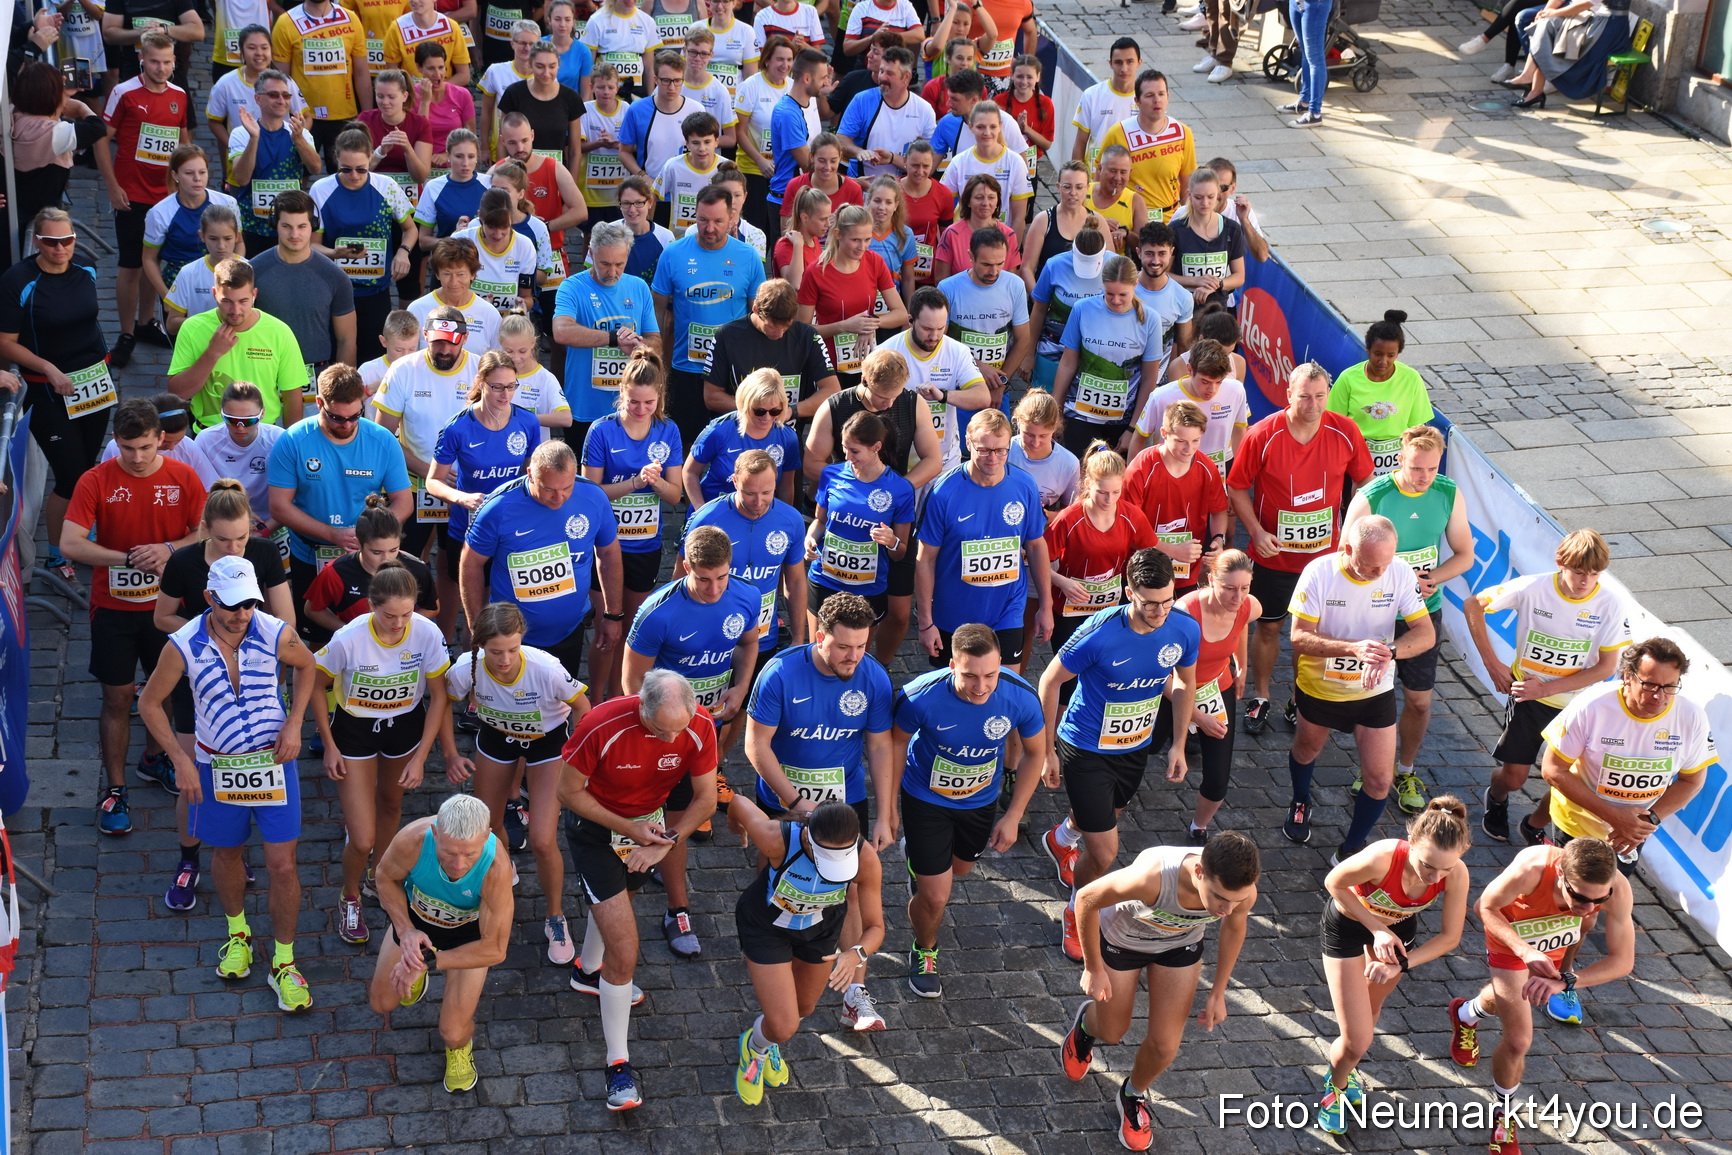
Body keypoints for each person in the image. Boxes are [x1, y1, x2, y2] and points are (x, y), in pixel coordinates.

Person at [138, 555, 317, 1009]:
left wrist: (295, 722)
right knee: (227, 853)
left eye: (249, 605)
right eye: (232, 606)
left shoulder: (274, 631)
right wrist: (179, 759)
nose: (241, 615)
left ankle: (284, 962)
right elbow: (150, 703)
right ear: (208, 598)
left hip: (273, 764)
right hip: (216, 766)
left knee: (282, 865)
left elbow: (308, 664)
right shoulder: (181, 644)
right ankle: (237, 934)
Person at [559, 671, 718, 1110]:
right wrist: (631, 829)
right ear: (640, 706)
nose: (671, 740)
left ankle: (586, 973)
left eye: (678, 729)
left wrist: (664, 841)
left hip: (648, 833)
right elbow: (567, 792)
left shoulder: (699, 725)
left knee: (616, 910)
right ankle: (618, 1067)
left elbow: (705, 799)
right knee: (625, 951)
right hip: (596, 831)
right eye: (660, 730)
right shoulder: (602, 725)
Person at [741, 593, 894, 1030]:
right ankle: (773, 947)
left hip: (844, 804)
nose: (854, 657)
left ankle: (855, 994)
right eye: (845, 647)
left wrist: (885, 813)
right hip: (784, 802)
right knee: (775, 874)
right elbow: (756, 746)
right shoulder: (781, 674)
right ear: (819, 635)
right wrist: (793, 801)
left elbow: (880, 745)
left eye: (862, 646)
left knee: (848, 888)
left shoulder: (872, 677)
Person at [1036, 548, 1199, 959]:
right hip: (1084, 745)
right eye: (1149, 604)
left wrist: (1178, 743)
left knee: (1107, 816)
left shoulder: (1183, 629)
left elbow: (1183, 683)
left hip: (1134, 747)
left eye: (1167, 601)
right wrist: (1047, 751)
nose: (1160, 612)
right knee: (1106, 851)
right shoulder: (1099, 632)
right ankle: (1077, 908)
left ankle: (1062, 838)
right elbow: (1050, 681)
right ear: (1129, 592)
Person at [1060, 833, 1260, 1152]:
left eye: (1236, 900)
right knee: (1113, 1030)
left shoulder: (1241, 893)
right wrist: (1093, 968)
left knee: (1166, 1044)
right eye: (1221, 898)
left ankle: (1132, 1095)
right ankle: (1086, 1025)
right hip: (1122, 943)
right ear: (1199, 873)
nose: (1228, 908)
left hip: (1179, 946)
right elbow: (1086, 899)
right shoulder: (1152, 877)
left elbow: (1236, 927)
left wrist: (1219, 991)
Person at [61, 399, 208, 834]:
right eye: (128, 448)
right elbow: (70, 543)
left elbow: (203, 532)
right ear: (116, 443)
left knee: (161, 692)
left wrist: (167, 549)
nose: (138, 458)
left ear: (160, 438)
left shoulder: (183, 477)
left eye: (145, 446)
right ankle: (115, 789)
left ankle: (152, 758)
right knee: (118, 697)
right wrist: (126, 557)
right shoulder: (97, 480)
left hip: (166, 610)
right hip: (113, 608)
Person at [1447, 838, 1635, 1155]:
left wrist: (1567, 981)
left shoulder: (1617, 889)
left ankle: (1465, 1014)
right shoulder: (1531, 869)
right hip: (1510, 936)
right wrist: (1524, 949)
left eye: (1598, 899)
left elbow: (1623, 962)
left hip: (1552, 935)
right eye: (1578, 896)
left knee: (1513, 996)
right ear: (1561, 873)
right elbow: (1484, 906)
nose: (1588, 907)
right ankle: (1504, 1117)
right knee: (1520, 1039)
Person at [313, 563, 463, 944]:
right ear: (370, 605)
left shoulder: (427, 633)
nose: (398, 624)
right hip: (354, 732)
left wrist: (421, 756)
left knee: (391, 804)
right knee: (361, 837)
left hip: (404, 729)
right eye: (388, 615)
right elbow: (314, 685)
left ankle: (378, 876)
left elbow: (440, 695)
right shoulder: (349, 637)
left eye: (406, 614)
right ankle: (349, 895)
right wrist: (329, 745)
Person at [896, 623, 1046, 996]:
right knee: (936, 896)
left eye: (991, 675)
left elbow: (1036, 753)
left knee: (960, 868)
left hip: (980, 802)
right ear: (951, 665)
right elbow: (893, 744)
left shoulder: (1020, 698)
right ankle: (925, 948)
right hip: (925, 798)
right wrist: (889, 809)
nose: (981, 687)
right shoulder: (920, 697)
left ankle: (920, 860)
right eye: (970, 676)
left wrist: (1012, 815)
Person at [1227, 362, 1373, 734]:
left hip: (1326, 559)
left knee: (1314, 633)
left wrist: (1351, 532)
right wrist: (1256, 532)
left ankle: (1299, 697)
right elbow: (1237, 486)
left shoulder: (1345, 430)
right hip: (1275, 556)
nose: (1312, 404)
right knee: (1270, 628)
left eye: (1320, 396)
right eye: (1304, 396)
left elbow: (1365, 481)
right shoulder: (1263, 435)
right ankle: (1260, 695)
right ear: (1288, 394)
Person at [1314, 798, 1471, 1134]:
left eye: (1446, 868)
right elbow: (1333, 883)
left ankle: (1347, 1067)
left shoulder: (1455, 873)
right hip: (1348, 925)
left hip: (1398, 936)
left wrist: (1402, 964)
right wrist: (1377, 929)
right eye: (1428, 865)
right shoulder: (1383, 856)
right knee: (1357, 1039)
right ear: (1411, 843)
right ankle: (1336, 1086)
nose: (1435, 877)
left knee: (1369, 1013)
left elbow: (1450, 938)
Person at [1282, 515, 1435, 859]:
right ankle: (1301, 799)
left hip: (1373, 691)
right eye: (1370, 564)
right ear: (1348, 549)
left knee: (1380, 780)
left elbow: (1426, 634)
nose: (1380, 573)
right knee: (1306, 751)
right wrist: (1353, 648)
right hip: (1322, 688)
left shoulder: (1398, 571)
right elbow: (1298, 637)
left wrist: (1389, 652)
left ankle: (1351, 848)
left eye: (1386, 563)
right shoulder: (1319, 573)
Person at [447, 600, 591, 965]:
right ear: (479, 646)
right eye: (495, 652)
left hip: (548, 744)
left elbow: (583, 706)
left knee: (543, 840)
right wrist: (449, 753)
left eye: (513, 649)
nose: (505, 660)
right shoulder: (467, 668)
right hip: (496, 740)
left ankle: (555, 917)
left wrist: (582, 760)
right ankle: (502, 868)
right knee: (489, 827)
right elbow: (439, 701)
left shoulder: (545, 668)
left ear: (522, 640)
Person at [1466, 529, 1628, 847]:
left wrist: (1549, 688)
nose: (1586, 582)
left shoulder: (1609, 604)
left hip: (1577, 704)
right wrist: (1492, 664)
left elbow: (1606, 668)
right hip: (1528, 697)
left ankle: (1534, 824)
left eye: (1594, 574)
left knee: (1570, 781)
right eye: (1579, 573)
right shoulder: (1533, 587)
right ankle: (1496, 798)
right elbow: (1473, 605)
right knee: (1514, 778)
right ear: (1560, 563)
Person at [1342, 425, 1473, 815]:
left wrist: (1433, 579)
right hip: (1377, 608)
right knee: (1370, 696)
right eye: (1417, 468)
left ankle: (1405, 769)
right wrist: (1395, 575)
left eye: (1431, 469)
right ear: (1400, 459)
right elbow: (1344, 557)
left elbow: (1465, 554)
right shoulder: (1374, 497)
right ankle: (1371, 768)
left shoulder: (1448, 493)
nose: (1424, 477)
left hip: (1422, 613)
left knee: (1418, 701)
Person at [728, 795, 884, 1100]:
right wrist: (735, 825)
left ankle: (766, 1038)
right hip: (766, 928)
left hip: (819, 930)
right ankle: (755, 1049)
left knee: (804, 1008)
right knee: (784, 1026)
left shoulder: (865, 858)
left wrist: (856, 953)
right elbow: (736, 802)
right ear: (809, 840)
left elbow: (876, 926)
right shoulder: (775, 838)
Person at [803, 347, 945, 663]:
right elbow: (812, 462)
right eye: (883, 398)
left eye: (895, 396)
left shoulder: (911, 402)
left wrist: (893, 493)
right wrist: (854, 485)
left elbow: (934, 461)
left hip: (892, 515)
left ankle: (879, 667)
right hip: (844, 516)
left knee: (897, 614)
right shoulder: (835, 406)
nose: (889, 404)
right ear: (864, 379)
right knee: (828, 620)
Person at [368, 793, 513, 1094]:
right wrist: (406, 931)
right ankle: (415, 971)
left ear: (487, 837)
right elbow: (383, 877)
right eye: (448, 852)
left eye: (470, 855)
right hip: (416, 923)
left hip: (468, 938)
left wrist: (427, 961)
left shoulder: (496, 867)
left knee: (452, 1031)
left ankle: (460, 1050)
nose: (458, 865)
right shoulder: (412, 840)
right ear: (435, 833)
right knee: (382, 1002)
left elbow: (495, 949)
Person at [0, 210, 116, 582]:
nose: (61, 248)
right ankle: (56, 551)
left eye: (67, 240)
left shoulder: (86, 269)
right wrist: (49, 368)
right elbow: (5, 343)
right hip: (47, 389)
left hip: (93, 383)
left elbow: (87, 320)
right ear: (37, 241)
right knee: (69, 474)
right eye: (51, 242)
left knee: (87, 470)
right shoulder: (18, 280)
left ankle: (82, 534)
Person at [463, 439, 624, 684]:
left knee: (557, 708)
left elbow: (609, 554)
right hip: (511, 637)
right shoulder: (498, 507)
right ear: (530, 474)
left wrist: (613, 615)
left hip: (569, 632)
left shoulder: (593, 497)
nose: (559, 498)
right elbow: (470, 564)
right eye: (548, 489)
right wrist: (477, 627)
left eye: (567, 488)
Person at [267, 365, 413, 623]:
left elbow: (404, 501)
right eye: (337, 418)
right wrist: (331, 534)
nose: (347, 424)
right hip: (310, 552)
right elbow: (279, 506)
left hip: (368, 558)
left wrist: (373, 537)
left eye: (355, 416)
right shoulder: (293, 440)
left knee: (377, 626)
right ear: (319, 403)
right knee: (316, 634)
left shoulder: (382, 440)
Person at [577, 350, 681, 701]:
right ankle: (594, 703)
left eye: (648, 403)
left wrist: (657, 484)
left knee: (631, 629)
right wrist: (635, 483)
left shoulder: (668, 431)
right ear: (621, 393)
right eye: (634, 402)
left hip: (645, 547)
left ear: (660, 398)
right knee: (608, 626)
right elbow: (589, 494)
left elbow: (675, 496)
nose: (640, 409)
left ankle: (619, 700)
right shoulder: (602, 431)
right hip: (605, 547)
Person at [915, 408, 1051, 668]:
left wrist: (1046, 605)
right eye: (984, 450)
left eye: (1001, 450)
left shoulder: (1024, 486)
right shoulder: (944, 492)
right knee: (957, 692)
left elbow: (1035, 545)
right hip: (954, 615)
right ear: (968, 443)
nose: (993, 458)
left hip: (1007, 611)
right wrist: (925, 622)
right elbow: (926, 558)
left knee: (1006, 689)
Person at [374, 306, 481, 632]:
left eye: (451, 343)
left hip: (463, 492)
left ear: (463, 338)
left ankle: (445, 638)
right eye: (437, 342)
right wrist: (427, 470)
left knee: (453, 569)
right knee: (404, 564)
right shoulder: (405, 370)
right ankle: (402, 634)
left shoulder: (479, 369)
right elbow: (383, 437)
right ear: (425, 337)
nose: (443, 350)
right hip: (414, 486)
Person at [682, 448, 808, 722]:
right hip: (711, 637)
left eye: (767, 492)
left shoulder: (791, 520)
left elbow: (796, 582)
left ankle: (718, 763)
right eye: (750, 493)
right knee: (701, 712)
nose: (759, 501)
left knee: (742, 707)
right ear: (735, 481)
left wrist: (799, 638)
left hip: (761, 636)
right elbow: (682, 580)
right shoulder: (707, 518)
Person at [650, 185, 766, 449]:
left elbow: (757, 314)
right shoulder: (673, 253)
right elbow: (657, 311)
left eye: (717, 221)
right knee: (685, 441)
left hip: (732, 368)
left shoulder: (748, 257)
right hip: (687, 367)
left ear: (732, 219)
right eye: (702, 220)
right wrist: (656, 358)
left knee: (734, 442)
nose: (709, 228)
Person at [101, 31, 190, 366]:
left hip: (165, 197)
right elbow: (101, 139)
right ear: (142, 58)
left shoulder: (180, 95)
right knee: (130, 264)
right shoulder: (124, 93)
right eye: (155, 61)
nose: (161, 68)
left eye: (168, 62)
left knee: (155, 260)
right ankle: (125, 334)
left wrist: (180, 186)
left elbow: (183, 141)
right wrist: (112, 185)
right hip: (131, 194)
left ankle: (146, 322)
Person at [1167, 551, 1258, 841]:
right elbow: (1158, 677)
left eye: (1245, 588)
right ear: (1210, 581)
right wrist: (1196, 716)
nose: (1237, 597)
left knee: (1219, 776)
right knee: (1142, 749)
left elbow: (1241, 624)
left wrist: (1241, 666)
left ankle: (1199, 826)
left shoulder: (1249, 605)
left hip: (1217, 689)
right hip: (1170, 691)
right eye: (1230, 588)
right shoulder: (1183, 614)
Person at [309, 126, 419, 361]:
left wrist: (403, 252)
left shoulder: (386, 185)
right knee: (340, 358)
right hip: (336, 289)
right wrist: (333, 253)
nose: (354, 175)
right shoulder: (321, 189)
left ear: (371, 158)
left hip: (376, 290)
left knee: (375, 356)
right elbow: (312, 245)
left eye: (361, 169)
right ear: (335, 159)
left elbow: (410, 229)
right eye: (346, 169)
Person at [426, 347, 543, 564]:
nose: (505, 394)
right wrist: (463, 498)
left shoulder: (528, 422)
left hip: (511, 525)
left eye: (511, 386)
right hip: (468, 526)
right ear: (481, 382)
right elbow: (433, 481)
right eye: (497, 387)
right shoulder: (457, 427)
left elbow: (530, 476)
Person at [805, 410, 917, 633]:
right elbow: (820, 520)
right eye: (845, 448)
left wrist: (891, 541)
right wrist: (809, 539)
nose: (847, 456)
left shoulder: (901, 489)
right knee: (817, 649)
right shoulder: (831, 475)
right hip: (824, 578)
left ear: (876, 447)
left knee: (854, 657)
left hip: (867, 587)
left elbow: (900, 552)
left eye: (854, 450)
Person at [1042, 443, 1154, 666]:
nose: (1109, 500)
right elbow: (1038, 562)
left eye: (1116, 492)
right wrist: (1062, 582)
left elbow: (1149, 555)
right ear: (1087, 485)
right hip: (1069, 609)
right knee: (1068, 678)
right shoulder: (1069, 518)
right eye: (1102, 492)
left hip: (1110, 608)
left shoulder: (1133, 516)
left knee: (1105, 669)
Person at [167, 257, 307, 431]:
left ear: (254, 295)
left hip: (262, 433)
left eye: (243, 301)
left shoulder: (280, 332)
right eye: (226, 301)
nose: (235, 311)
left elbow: (292, 396)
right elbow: (177, 393)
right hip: (209, 433)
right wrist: (212, 354)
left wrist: (290, 445)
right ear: (214, 293)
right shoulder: (192, 328)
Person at [553, 219, 662, 435]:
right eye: (604, 264)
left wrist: (638, 346)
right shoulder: (572, 286)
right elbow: (561, 331)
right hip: (585, 408)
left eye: (619, 264)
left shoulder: (639, 287)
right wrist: (614, 339)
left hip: (630, 408)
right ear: (591, 255)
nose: (612, 272)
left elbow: (656, 343)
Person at [1049, 254, 1163, 457]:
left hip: (1122, 421)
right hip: (1079, 414)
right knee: (1083, 479)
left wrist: (1133, 429)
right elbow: (1067, 363)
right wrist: (1054, 415)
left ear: (1136, 284)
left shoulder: (1151, 320)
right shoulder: (1082, 309)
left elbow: (1149, 379)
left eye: (1123, 295)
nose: (1116, 301)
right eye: (1109, 293)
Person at [872, 287, 988, 478]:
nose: (934, 336)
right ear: (910, 320)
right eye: (927, 329)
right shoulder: (886, 352)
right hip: (896, 462)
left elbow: (983, 397)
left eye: (940, 328)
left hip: (944, 461)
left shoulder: (957, 351)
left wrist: (943, 395)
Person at [1122, 400, 1228, 600]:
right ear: (1164, 433)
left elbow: (1219, 510)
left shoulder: (1207, 468)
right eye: (1181, 441)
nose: (1189, 449)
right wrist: (1172, 550)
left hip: (1186, 572)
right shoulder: (1141, 468)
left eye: (1196, 441)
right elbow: (1128, 526)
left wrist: (1218, 540)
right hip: (1142, 567)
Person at [251, 190, 359, 382]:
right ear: (275, 225)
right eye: (286, 226)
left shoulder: (336, 277)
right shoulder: (252, 271)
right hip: (264, 374)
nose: (295, 234)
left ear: (314, 226)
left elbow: (347, 340)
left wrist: (342, 388)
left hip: (317, 377)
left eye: (302, 226)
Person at [304, 494, 440, 643]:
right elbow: (312, 609)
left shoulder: (416, 568)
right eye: (376, 552)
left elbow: (432, 607)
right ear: (358, 544)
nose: (387, 558)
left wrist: (401, 625)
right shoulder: (335, 572)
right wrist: (349, 630)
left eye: (394, 549)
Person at [796, 205, 908, 385]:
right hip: (828, 365)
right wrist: (844, 326)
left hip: (867, 363)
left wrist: (869, 325)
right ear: (839, 234)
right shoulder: (816, 271)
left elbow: (901, 314)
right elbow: (802, 329)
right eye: (855, 240)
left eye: (867, 239)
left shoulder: (874, 261)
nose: (862, 247)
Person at [706, 278, 839, 423]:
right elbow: (712, 396)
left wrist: (791, 411)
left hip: (786, 433)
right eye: (772, 327)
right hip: (741, 430)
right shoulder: (727, 335)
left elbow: (832, 391)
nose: (780, 334)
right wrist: (757, 412)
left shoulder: (807, 336)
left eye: (786, 327)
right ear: (756, 309)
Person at [1325, 310, 1436, 477]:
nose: (1383, 361)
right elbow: (1333, 425)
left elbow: (1417, 429)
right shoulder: (1348, 379)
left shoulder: (1411, 379)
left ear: (1398, 353)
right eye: (1378, 354)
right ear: (1368, 349)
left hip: (1397, 468)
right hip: (1355, 465)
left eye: (1391, 355)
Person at [936, 225, 1030, 411]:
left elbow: (1023, 339)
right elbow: (938, 341)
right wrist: (977, 367)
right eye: (986, 264)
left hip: (998, 387)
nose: (994, 271)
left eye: (1000, 264)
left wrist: (1001, 383)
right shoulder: (948, 288)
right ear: (971, 257)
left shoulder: (1015, 285)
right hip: (959, 386)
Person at [270, 0, 373, 163]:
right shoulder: (285, 23)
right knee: (299, 174)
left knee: (346, 174)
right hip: (303, 115)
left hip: (345, 115)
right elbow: (282, 80)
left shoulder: (351, 19)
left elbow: (361, 72)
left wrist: (368, 116)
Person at [142, 145, 241, 310]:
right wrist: (167, 296)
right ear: (175, 175)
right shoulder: (160, 213)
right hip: (179, 282)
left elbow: (238, 243)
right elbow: (149, 259)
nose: (197, 178)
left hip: (220, 278)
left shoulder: (228, 203)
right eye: (189, 173)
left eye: (202, 172)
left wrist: (232, 274)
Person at [685, 370, 802, 506]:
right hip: (716, 510)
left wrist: (783, 519)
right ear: (745, 405)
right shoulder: (719, 430)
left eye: (775, 411)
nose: (767, 418)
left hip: (759, 513)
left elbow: (785, 487)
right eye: (759, 411)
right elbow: (690, 472)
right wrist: (701, 511)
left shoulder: (788, 438)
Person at [1126, 338, 1245, 466]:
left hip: (1216, 473)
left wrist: (1241, 471)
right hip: (1171, 473)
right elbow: (1139, 439)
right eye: (1205, 382)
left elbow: (1239, 430)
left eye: (1219, 382)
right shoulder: (1161, 397)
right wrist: (1132, 479)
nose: (1212, 389)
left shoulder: (1236, 390)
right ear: (1190, 369)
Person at [208, 28, 308, 177]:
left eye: (264, 47)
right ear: (241, 50)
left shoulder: (286, 82)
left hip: (279, 162)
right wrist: (233, 144)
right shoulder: (226, 84)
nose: (259, 53)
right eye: (251, 48)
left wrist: (296, 139)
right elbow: (214, 121)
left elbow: (306, 118)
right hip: (242, 162)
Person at [1096, 69, 1193, 224]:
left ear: (1168, 97)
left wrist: (1188, 220)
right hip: (1129, 220)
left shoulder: (1182, 133)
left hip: (1171, 220)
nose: (1157, 100)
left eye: (1161, 94)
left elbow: (1187, 184)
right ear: (1137, 101)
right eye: (1149, 95)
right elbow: (1099, 178)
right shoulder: (1118, 133)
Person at [1028, 212, 1106, 393]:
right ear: (1073, 249)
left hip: (1094, 353)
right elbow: (1038, 311)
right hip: (1053, 347)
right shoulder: (1054, 265)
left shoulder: (1115, 265)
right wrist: (1028, 355)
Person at [190, 382, 288, 526]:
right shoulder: (206, 440)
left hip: (272, 521)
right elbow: (202, 493)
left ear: (262, 414)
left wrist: (266, 529)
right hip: (223, 520)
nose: (240, 428)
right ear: (221, 412)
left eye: (249, 421)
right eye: (231, 420)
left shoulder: (278, 440)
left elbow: (292, 495)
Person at [837, 46, 935, 183]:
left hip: (904, 190)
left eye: (889, 73)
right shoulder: (861, 100)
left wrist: (892, 158)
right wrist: (859, 152)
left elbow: (930, 162)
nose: (882, 77)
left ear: (906, 77)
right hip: (865, 187)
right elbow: (840, 139)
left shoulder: (924, 110)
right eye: (881, 71)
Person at [940, 100, 1033, 240]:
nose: (987, 133)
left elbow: (1019, 218)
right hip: (965, 241)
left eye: (993, 127)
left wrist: (1011, 253)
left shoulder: (1015, 162)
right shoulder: (959, 162)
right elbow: (942, 205)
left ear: (1000, 126)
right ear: (970, 127)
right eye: (981, 127)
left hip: (1000, 243)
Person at [733, 37, 796, 234]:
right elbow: (739, 132)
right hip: (754, 170)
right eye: (779, 59)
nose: (784, 65)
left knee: (780, 231)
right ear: (767, 59)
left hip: (785, 171)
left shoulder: (794, 87)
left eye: (789, 59)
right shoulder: (751, 85)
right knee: (757, 231)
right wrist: (760, 161)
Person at [1168, 167, 1244, 311]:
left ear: (1218, 195)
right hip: (1183, 309)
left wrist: (1216, 284)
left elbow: (1239, 276)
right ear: (1189, 195)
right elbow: (1164, 274)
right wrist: (1195, 281)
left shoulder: (1232, 229)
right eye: (1198, 197)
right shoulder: (1176, 230)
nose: (1205, 203)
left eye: (1210, 197)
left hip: (1218, 311)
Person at [410, 237, 504, 351]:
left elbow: (498, 360)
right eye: (447, 274)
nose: (454, 282)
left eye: (460, 274)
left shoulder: (490, 314)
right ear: (437, 274)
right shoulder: (417, 309)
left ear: (473, 274)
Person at [767, 49, 830, 213]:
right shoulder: (788, 114)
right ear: (807, 78)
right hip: (787, 201)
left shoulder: (811, 100)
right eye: (823, 78)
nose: (826, 82)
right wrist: (850, 182)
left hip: (804, 198)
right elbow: (809, 165)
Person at [165, 206, 244, 333]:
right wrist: (209, 325)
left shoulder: (252, 270)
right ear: (202, 236)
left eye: (227, 238)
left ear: (237, 236)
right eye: (213, 239)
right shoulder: (188, 273)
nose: (221, 246)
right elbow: (172, 324)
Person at [931, 173, 1019, 284]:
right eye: (979, 197)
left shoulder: (1009, 235)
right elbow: (941, 281)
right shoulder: (952, 234)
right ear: (968, 201)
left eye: (991, 197)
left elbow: (1011, 281)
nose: (985, 203)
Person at [1070, 37, 1139, 168]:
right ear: (1110, 63)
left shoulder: (1146, 97)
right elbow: (1080, 142)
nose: (1124, 68)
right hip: (1096, 175)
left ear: (1139, 62)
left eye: (1130, 62)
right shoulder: (1092, 95)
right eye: (1118, 62)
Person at [653, 112, 724, 238]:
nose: (702, 148)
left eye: (707, 142)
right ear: (687, 143)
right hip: (680, 241)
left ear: (716, 142)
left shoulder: (725, 168)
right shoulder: (672, 166)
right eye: (696, 143)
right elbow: (652, 197)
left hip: (715, 240)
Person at [1023, 161, 1091, 291]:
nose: (1073, 192)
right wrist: (1039, 301)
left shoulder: (1097, 221)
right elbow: (1027, 268)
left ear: (1087, 188)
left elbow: (1109, 267)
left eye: (1079, 187)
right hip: (1048, 297)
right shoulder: (1043, 221)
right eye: (1067, 187)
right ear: (1058, 187)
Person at [1132, 222, 1196, 359]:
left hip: (1162, 378)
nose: (1155, 261)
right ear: (1138, 253)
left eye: (1162, 254)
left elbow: (1184, 348)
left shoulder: (1183, 297)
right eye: (1149, 253)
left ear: (1171, 252)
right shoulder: (1122, 291)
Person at [1008, 391, 1079, 514]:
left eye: (1043, 436)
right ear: (1018, 422)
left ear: (1054, 429)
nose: (1035, 443)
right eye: (1029, 434)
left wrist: (1047, 516)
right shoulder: (1003, 450)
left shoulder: (1069, 463)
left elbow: (1072, 513)